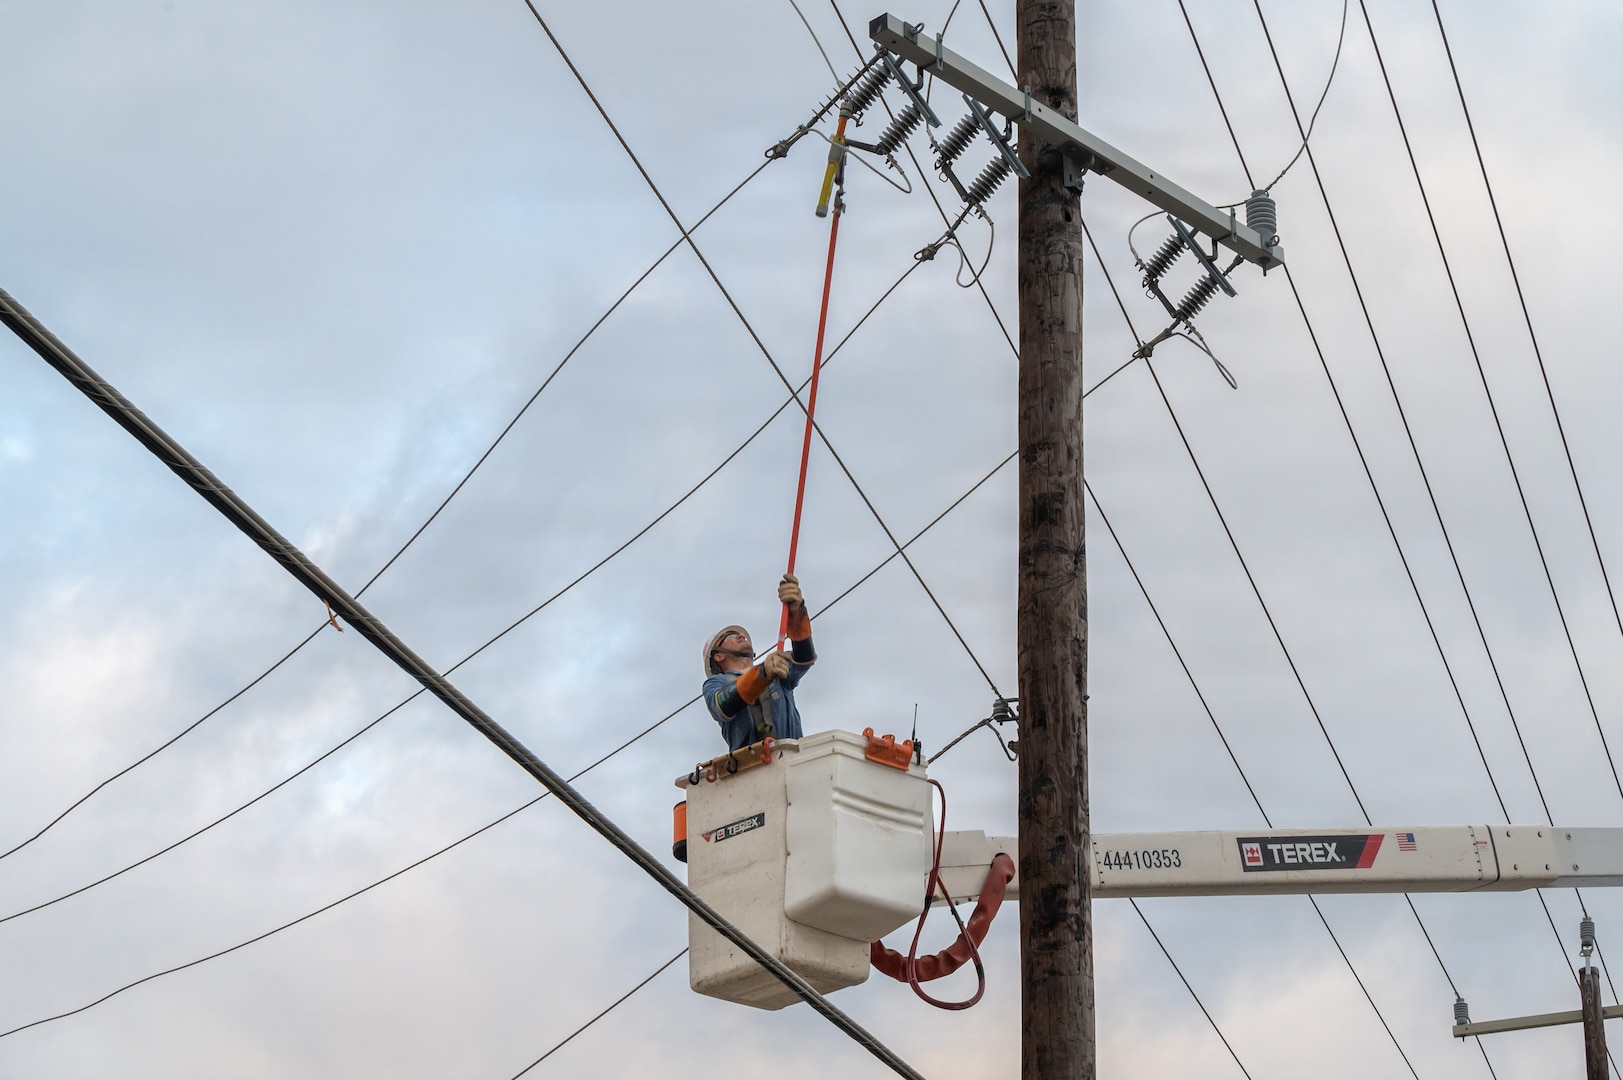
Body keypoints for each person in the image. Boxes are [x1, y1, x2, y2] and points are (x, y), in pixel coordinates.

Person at [702, 575, 816, 752]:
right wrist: (763, 673)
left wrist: (796, 613)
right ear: (718, 656)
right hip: (751, 770)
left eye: (742, 635)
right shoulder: (717, 684)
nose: (741, 636)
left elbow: (804, 657)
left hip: (792, 760)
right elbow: (721, 705)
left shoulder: (776, 669)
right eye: (731, 636)